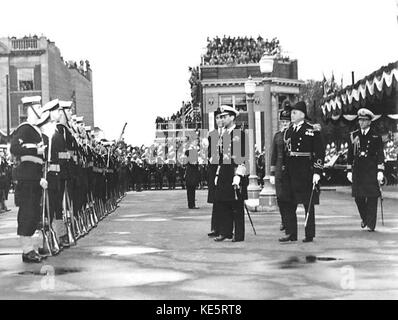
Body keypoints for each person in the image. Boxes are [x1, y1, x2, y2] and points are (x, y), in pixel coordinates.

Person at [279, 101, 325, 243]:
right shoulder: (288, 131)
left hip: (306, 171)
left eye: (294, 113)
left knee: (307, 203)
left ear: (302, 114)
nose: (291, 115)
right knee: (288, 203)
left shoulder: (312, 130)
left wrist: (317, 171)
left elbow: (319, 152)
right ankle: (291, 233)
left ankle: (309, 233)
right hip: (291, 171)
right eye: (291, 113)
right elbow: (286, 152)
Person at [10, 96, 48, 263]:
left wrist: (40, 177)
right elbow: (14, 148)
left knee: (33, 214)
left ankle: (31, 248)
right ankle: (27, 251)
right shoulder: (24, 129)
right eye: (38, 107)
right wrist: (35, 150)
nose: (40, 111)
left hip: (34, 177)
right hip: (26, 178)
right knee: (27, 214)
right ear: (30, 109)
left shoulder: (36, 130)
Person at [213, 105, 248, 242]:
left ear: (232, 117)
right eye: (221, 117)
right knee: (224, 203)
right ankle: (226, 232)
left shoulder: (239, 134)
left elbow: (243, 157)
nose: (222, 119)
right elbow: (221, 157)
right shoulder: (223, 134)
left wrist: (239, 175)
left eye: (225, 116)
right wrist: (217, 174)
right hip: (224, 172)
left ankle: (239, 235)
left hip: (234, 172)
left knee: (237, 206)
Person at [347, 108, 384, 232]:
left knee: (372, 197)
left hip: (371, 170)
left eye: (364, 120)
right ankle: (365, 218)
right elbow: (349, 155)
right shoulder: (354, 135)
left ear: (369, 122)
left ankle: (371, 224)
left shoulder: (375, 136)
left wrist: (380, 170)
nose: (361, 122)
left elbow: (380, 154)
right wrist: (349, 170)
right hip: (358, 170)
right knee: (359, 198)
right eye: (360, 120)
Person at [269, 100, 294, 234]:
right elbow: (273, 155)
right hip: (279, 171)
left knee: (289, 198)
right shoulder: (277, 136)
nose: (284, 124)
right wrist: (272, 174)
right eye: (282, 122)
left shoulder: (293, 135)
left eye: (287, 122)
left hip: (289, 171)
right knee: (280, 198)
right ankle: (284, 219)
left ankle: (288, 221)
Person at [207, 107, 224, 237]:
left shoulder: (229, 133)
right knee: (216, 200)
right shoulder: (212, 134)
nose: (219, 120)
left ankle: (224, 228)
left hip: (224, 168)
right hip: (214, 169)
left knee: (224, 199)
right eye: (217, 118)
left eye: (221, 117)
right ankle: (215, 227)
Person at [184, 139, 200, 209]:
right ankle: (191, 204)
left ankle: (192, 203)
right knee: (191, 189)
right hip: (191, 172)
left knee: (191, 189)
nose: (197, 142)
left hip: (192, 172)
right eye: (196, 141)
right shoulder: (190, 151)